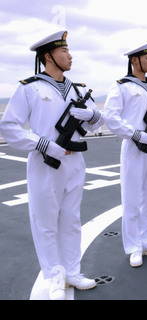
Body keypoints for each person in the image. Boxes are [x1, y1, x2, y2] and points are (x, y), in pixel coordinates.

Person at [0, 30, 103, 299]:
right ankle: (55, 277)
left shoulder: (78, 88)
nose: (70, 56)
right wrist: (42, 144)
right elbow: (9, 126)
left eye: (68, 51)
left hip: (74, 161)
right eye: (64, 52)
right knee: (46, 222)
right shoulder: (29, 87)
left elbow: (96, 123)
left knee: (71, 220)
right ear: (48, 56)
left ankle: (72, 272)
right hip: (45, 163)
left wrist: (92, 114)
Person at [103, 41, 147, 266]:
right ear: (135, 61)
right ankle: (134, 247)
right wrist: (134, 134)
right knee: (132, 198)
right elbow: (111, 117)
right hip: (134, 146)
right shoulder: (122, 86)